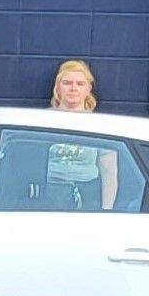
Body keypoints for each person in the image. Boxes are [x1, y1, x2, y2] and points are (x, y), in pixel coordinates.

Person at [46, 57, 119, 208]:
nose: (73, 88)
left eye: (80, 84)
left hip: (87, 194)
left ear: (88, 89)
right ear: (58, 87)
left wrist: (107, 210)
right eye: (67, 83)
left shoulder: (99, 125)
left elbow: (109, 172)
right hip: (48, 193)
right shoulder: (42, 120)